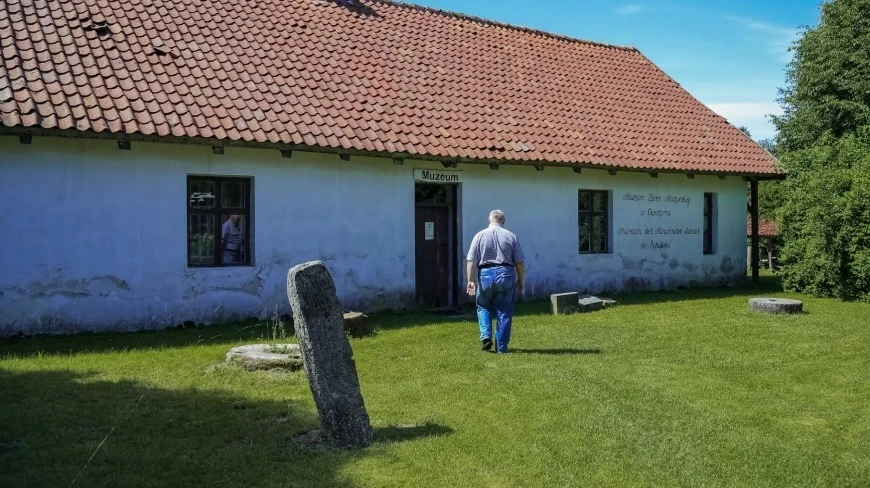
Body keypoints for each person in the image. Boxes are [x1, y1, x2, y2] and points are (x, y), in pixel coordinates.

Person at [466, 209, 525, 353]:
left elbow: (471, 260)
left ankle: (486, 336)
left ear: (489, 220)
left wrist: (470, 280)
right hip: (506, 273)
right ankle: (501, 348)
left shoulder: (479, 235)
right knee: (504, 311)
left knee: (483, 306)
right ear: (503, 222)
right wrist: (521, 280)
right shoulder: (511, 236)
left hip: (485, 273)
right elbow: (519, 262)